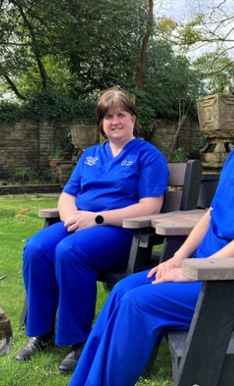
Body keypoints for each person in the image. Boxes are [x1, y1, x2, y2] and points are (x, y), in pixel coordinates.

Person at [68, 57, 234, 386]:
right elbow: (212, 214)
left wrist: (194, 272)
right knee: (123, 290)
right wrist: (178, 257)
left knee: (137, 304)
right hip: (209, 269)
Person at [15, 89, 169, 375]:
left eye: (121, 115)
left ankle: (79, 340)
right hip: (80, 223)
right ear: (101, 123)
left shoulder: (148, 156)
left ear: (133, 119)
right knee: (36, 248)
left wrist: (96, 219)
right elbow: (67, 194)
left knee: (70, 251)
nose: (115, 121)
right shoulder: (90, 155)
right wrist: (70, 217)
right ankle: (40, 332)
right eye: (108, 116)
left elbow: (151, 206)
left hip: (120, 230)